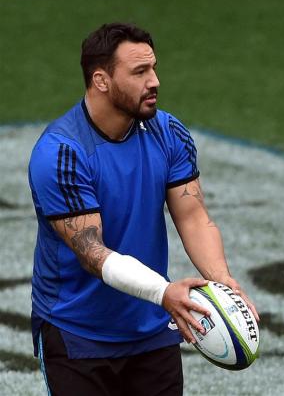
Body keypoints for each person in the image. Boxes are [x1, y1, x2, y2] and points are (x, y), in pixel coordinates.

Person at [28, 22, 259, 396]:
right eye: (139, 72)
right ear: (101, 80)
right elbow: (94, 254)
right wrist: (164, 292)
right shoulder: (61, 153)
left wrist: (223, 281)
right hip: (77, 333)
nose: (154, 81)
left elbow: (193, 216)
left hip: (151, 330)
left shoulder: (169, 132)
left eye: (153, 68)